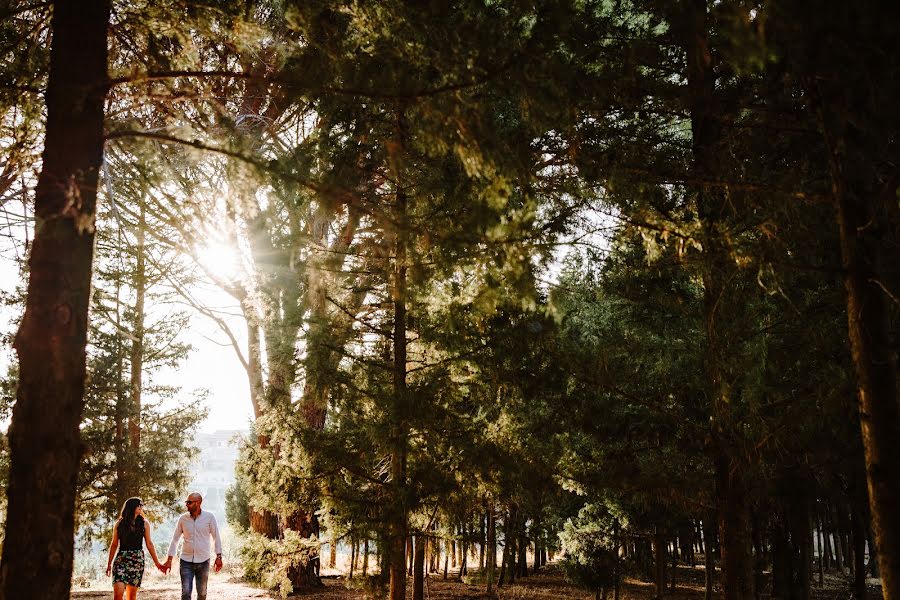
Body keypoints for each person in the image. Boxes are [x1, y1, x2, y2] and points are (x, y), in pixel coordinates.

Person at [164, 492, 223, 600]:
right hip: (186, 561)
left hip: (203, 561)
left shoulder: (209, 517)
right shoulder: (183, 519)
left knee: (202, 593)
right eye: (186, 502)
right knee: (186, 593)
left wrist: (219, 557)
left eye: (189, 502)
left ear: (198, 503)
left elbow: (216, 537)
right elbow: (175, 540)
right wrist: (169, 560)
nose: (186, 504)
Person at [106, 497, 167, 600]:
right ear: (132, 507)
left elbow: (149, 544)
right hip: (121, 560)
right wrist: (109, 564)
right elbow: (114, 544)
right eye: (139, 505)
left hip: (137, 561)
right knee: (118, 595)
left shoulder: (144, 523)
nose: (141, 507)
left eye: (141, 505)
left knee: (131, 596)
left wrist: (157, 563)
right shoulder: (119, 524)